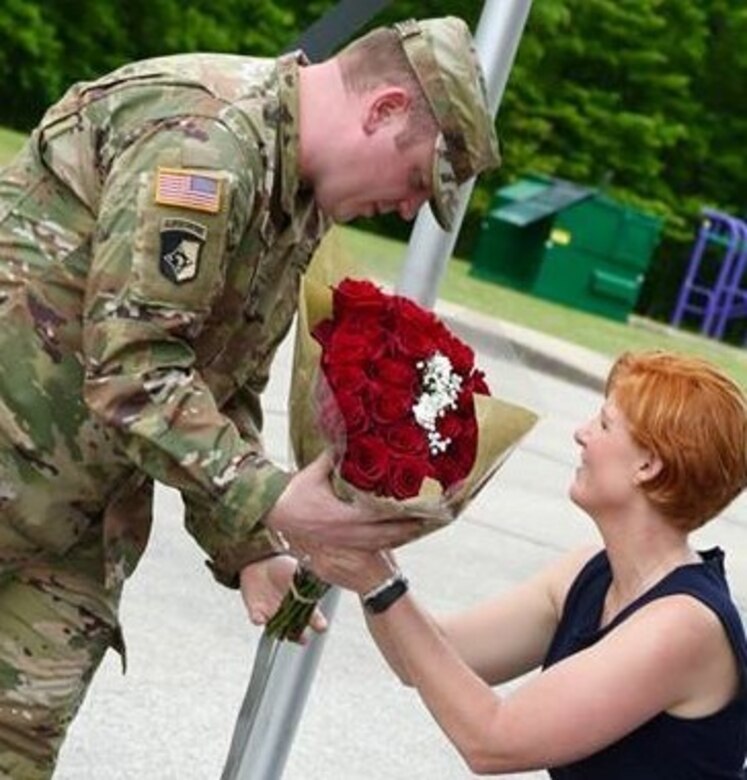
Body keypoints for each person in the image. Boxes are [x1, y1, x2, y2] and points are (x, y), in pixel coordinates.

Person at [0, 16, 500, 778]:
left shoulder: (297, 195)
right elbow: (134, 368)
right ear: (383, 109)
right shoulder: (205, 141)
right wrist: (269, 498)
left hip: (69, 530)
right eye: (414, 180)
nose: (406, 210)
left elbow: (220, 380)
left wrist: (250, 545)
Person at [279, 350, 747, 777]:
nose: (580, 433)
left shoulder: (684, 626)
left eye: (604, 425)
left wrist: (378, 580)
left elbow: (493, 741)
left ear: (648, 466)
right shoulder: (588, 574)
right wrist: (367, 539)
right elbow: (426, 656)